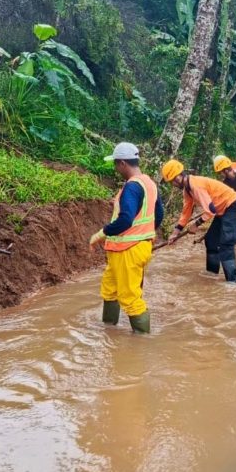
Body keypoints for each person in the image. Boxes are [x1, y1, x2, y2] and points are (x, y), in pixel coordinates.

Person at [89, 142, 163, 333]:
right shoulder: (149, 183)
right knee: (110, 290)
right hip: (132, 248)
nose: (115, 168)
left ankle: (141, 342)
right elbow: (159, 214)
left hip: (128, 250)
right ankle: (109, 329)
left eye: (116, 164)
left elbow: (126, 220)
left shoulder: (132, 187)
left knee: (130, 297)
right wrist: (146, 233)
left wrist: (101, 233)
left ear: (122, 163)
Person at [162, 159, 236, 283]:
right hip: (223, 209)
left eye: (172, 182)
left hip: (235, 204)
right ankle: (212, 273)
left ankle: (233, 282)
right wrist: (176, 232)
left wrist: (195, 225)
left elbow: (210, 211)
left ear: (177, 178)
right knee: (211, 240)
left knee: (226, 244)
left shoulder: (195, 185)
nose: (173, 185)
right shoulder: (187, 190)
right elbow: (186, 212)